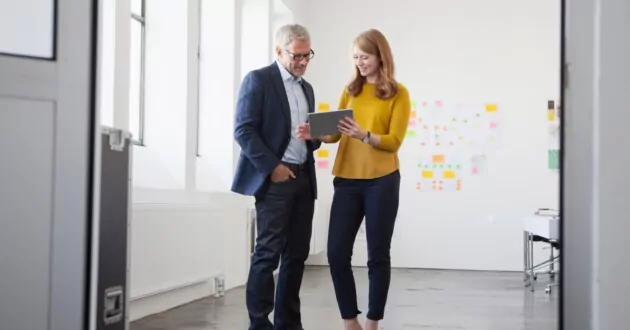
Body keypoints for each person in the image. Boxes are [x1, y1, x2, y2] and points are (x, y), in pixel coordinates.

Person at [302, 28, 411, 330]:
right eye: (355, 58)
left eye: (364, 57)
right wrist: (314, 132)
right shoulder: (350, 89)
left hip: (383, 181)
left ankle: (373, 321)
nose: (359, 63)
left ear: (380, 56)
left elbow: (394, 141)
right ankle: (350, 320)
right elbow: (335, 133)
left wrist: (365, 135)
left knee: (378, 254)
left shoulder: (398, 93)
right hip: (347, 181)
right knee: (337, 252)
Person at [232, 24, 320, 330]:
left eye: (307, 55)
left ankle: (288, 324)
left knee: (296, 255)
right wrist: (273, 167)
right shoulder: (259, 80)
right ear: (279, 51)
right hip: (275, 180)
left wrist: (317, 134)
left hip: (304, 179)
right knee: (268, 253)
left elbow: (308, 138)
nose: (303, 62)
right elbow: (243, 130)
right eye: (297, 56)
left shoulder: (306, 88)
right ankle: (259, 324)